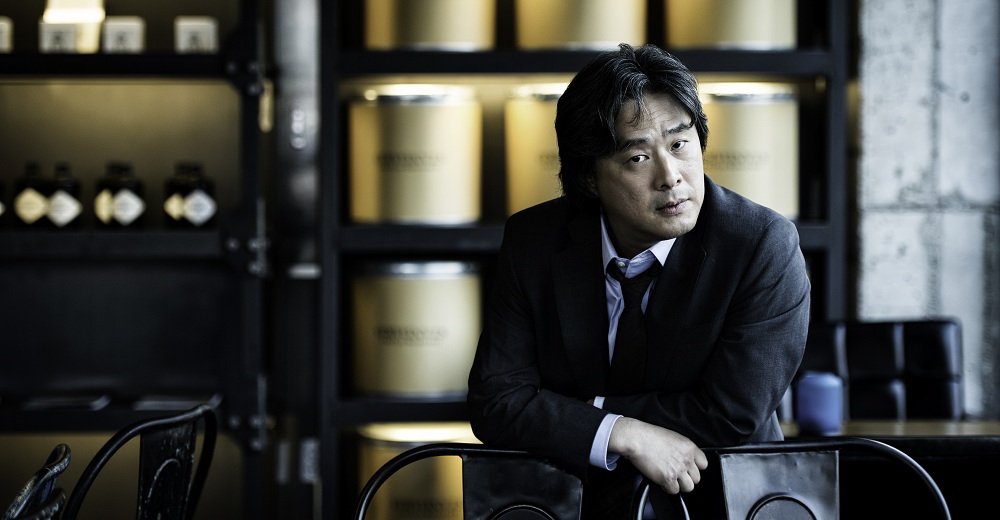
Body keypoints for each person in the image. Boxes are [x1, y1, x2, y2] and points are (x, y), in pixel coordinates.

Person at [467, 43, 810, 518]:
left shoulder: (760, 245)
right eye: (637, 158)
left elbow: (731, 414)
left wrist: (585, 411)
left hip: (722, 498)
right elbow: (496, 402)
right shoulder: (535, 241)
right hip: (573, 503)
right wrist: (621, 432)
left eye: (679, 144)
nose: (671, 177)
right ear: (589, 178)